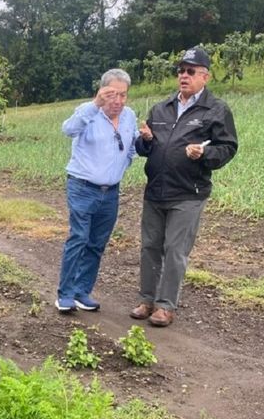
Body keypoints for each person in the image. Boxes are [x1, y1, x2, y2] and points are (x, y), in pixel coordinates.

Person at [131, 46, 238, 326]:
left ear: (205, 76)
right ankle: (147, 299)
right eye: (181, 70)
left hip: (188, 193)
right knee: (150, 246)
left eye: (191, 71)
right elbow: (145, 148)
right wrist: (144, 140)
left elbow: (227, 147)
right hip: (155, 189)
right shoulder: (161, 108)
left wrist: (205, 154)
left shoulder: (216, 110)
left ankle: (166, 306)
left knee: (175, 249)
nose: (184, 75)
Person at [56, 68, 138, 313]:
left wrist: (125, 163)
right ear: (102, 92)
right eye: (112, 95)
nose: (118, 101)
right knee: (79, 238)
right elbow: (68, 129)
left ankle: (82, 291)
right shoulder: (87, 112)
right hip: (82, 187)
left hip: (110, 191)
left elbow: (131, 144)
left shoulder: (129, 116)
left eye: (123, 95)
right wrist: (94, 105)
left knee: (96, 243)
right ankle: (65, 294)